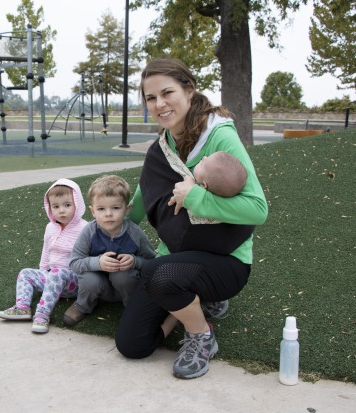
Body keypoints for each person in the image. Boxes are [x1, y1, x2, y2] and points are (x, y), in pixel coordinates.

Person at [115, 58, 268, 380]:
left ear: (189, 89)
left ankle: (201, 335)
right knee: (132, 344)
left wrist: (195, 197)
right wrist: (114, 222)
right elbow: (149, 192)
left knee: (159, 274)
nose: (159, 104)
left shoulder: (219, 137)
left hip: (226, 261)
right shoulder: (162, 146)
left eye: (167, 92)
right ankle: (192, 303)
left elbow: (257, 209)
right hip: (176, 257)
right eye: (150, 98)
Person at [63, 175, 156, 326]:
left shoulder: (134, 232)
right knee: (89, 279)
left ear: (127, 209)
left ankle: (133, 308)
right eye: (101, 209)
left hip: (125, 289)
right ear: (93, 211)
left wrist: (135, 261)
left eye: (115, 208)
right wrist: (97, 262)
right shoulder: (89, 231)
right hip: (98, 287)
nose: (108, 214)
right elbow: (74, 262)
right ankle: (82, 305)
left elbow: (152, 262)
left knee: (122, 276)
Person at [0, 178, 87, 334]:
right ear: (49, 208)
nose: (62, 210)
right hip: (53, 277)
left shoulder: (84, 228)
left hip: (74, 281)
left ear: (77, 205)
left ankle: (42, 314)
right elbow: (46, 250)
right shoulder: (50, 227)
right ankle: (22, 308)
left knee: (57, 273)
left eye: (67, 205)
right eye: (56, 206)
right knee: (26, 273)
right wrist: (43, 270)